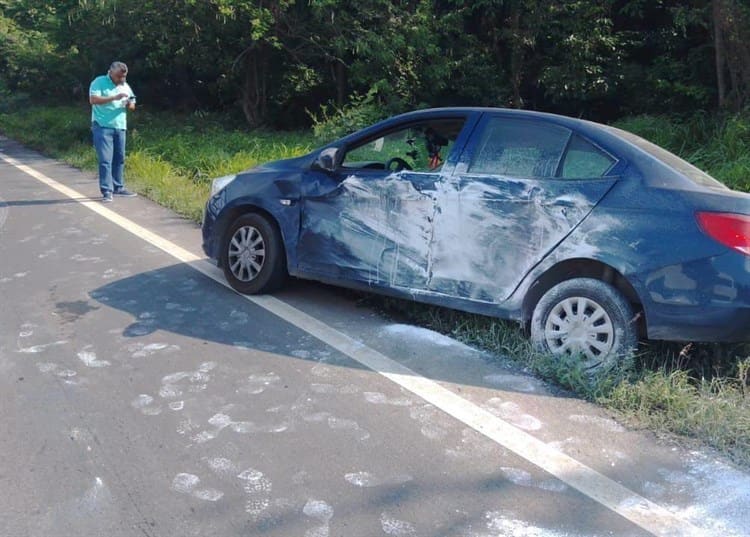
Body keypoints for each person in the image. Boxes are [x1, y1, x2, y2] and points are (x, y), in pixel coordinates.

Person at [89, 61, 137, 203]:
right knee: (105, 160)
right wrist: (114, 98)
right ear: (110, 72)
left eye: (124, 77)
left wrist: (130, 104)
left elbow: (132, 100)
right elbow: (93, 99)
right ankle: (106, 191)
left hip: (120, 126)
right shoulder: (99, 82)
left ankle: (118, 187)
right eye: (118, 77)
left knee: (119, 158)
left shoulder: (124, 85)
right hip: (102, 126)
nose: (121, 80)